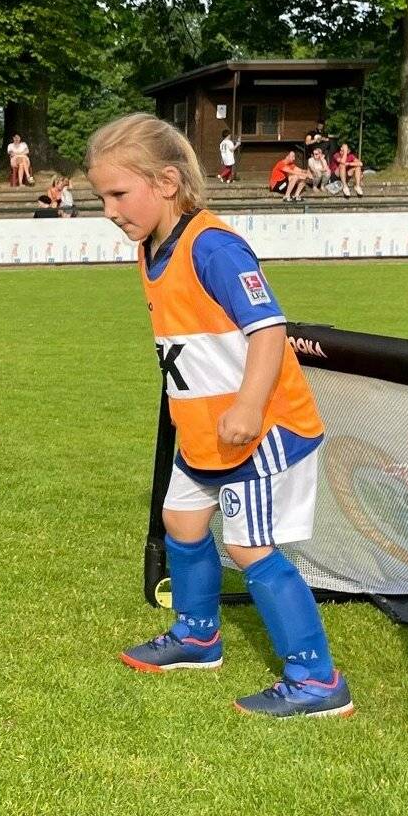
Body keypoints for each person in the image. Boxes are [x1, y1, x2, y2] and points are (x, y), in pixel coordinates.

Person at [85, 112, 351, 719]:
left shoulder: (215, 245)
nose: (109, 209)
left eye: (119, 193)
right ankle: (199, 635)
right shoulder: (152, 248)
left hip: (261, 430)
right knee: (180, 520)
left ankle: (316, 680)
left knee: (252, 547)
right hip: (204, 434)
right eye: (101, 196)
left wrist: (249, 405)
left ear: (168, 182)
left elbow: (267, 328)